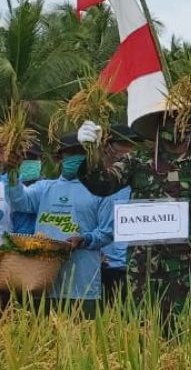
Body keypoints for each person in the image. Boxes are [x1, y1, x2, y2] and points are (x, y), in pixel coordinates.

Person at [78, 104, 191, 333]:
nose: (176, 128)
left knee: (182, 326)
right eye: (169, 121)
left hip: (185, 265)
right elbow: (103, 184)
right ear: (158, 127)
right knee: (141, 327)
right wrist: (92, 152)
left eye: (182, 121)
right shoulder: (138, 161)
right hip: (143, 262)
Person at [7, 133, 115, 318]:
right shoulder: (44, 188)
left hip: (82, 283)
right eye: (70, 153)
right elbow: (19, 201)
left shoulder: (102, 190)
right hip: (43, 281)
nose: (75, 158)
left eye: (80, 153)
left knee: (83, 339)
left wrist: (85, 239)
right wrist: (12, 172)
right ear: (60, 158)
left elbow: (108, 232)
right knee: (42, 338)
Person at [98, 124, 140, 304]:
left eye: (133, 145)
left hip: (132, 267)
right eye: (124, 144)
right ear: (107, 146)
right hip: (99, 266)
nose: (129, 150)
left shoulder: (140, 184)